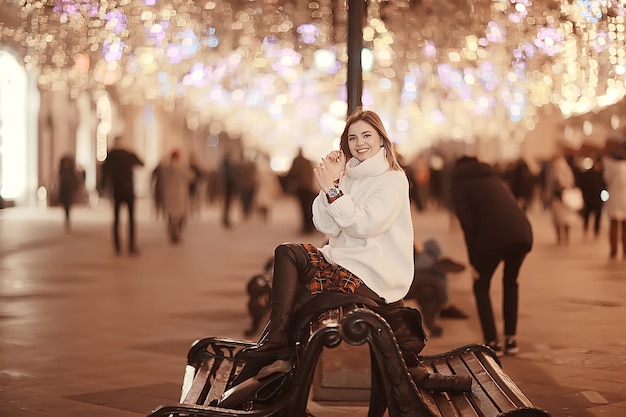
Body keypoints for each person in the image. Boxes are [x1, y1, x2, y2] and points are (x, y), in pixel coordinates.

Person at [240, 109, 471, 392]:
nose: (359, 143)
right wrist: (332, 185)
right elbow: (326, 224)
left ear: (382, 140)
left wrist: (333, 192)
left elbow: (364, 225)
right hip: (343, 264)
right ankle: (273, 344)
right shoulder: (348, 177)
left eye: (366, 135)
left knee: (302, 301)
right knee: (287, 252)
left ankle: (263, 367)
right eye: (352, 138)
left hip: (373, 273)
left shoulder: (393, 180)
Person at [450, 155, 533, 356]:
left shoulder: (459, 182)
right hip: (523, 232)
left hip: (494, 235)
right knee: (511, 281)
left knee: (481, 285)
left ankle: (492, 342)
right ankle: (511, 340)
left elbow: (467, 225)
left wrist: (474, 263)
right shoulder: (491, 177)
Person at [99, 136, 144, 256]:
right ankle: (131, 246)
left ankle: (117, 247)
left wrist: (102, 188)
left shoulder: (111, 155)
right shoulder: (128, 154)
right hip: (129, 190)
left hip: (116, 190)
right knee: (131, 219)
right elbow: (141, 163)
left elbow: (104, 171)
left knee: (116, 219)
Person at [160, 150, 194, 244]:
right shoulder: (181, 167)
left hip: (168, 194)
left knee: (170, 215)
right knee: (179, 215)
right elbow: (191, 177)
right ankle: (176, 234)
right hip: (179, 195)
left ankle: (172, 233)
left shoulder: (166, 168)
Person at [602, 139, 626, 259]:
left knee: (614, 226)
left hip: (615, 199)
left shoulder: (611, 169)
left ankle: (614, 250)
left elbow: (606, 180)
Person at [285, 148, 316, 234]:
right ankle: (310, 226)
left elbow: (292, 173)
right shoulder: (307, 161)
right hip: (309, 187)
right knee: (309, 207)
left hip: (301, 187)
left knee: (303, 208)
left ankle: (306, 227)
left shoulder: (296, 161)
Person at [578, 157, 606, 238]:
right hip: (589, 198)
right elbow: (582, 185)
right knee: (587, 214)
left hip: (598, 199)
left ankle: (596, 230)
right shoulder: (587, 174)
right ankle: (585, 228)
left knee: (598, 215)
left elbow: (604, 186)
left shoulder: (602, 175)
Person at [58, 155, 78, 230]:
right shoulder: (62, 170)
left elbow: (74, 179)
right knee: (65, 204)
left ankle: (67, 217)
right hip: (64, 190)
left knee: (68, 204)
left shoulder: (70, 171)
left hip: (69, 190)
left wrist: (75, 187)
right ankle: (66, 216)